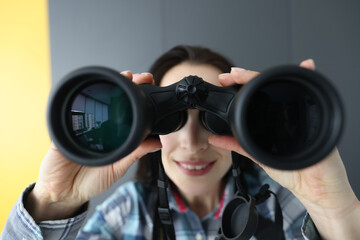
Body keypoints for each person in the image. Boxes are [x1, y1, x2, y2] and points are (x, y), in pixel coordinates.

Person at [1, 45, 359, 240]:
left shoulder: (281, 202)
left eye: (213, 120)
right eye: (171, 121)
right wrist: (52, 202)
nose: (191, 142)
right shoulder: (127, 213)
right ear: (147, 127)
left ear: (242, 126)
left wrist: (334, 210)